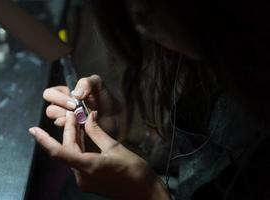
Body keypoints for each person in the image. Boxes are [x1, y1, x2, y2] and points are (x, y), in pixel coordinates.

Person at [29, 1, 270, 199]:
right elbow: (188, 157)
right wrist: (112, 133)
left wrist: (149, 193)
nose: (135, 15)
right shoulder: (210, 65)